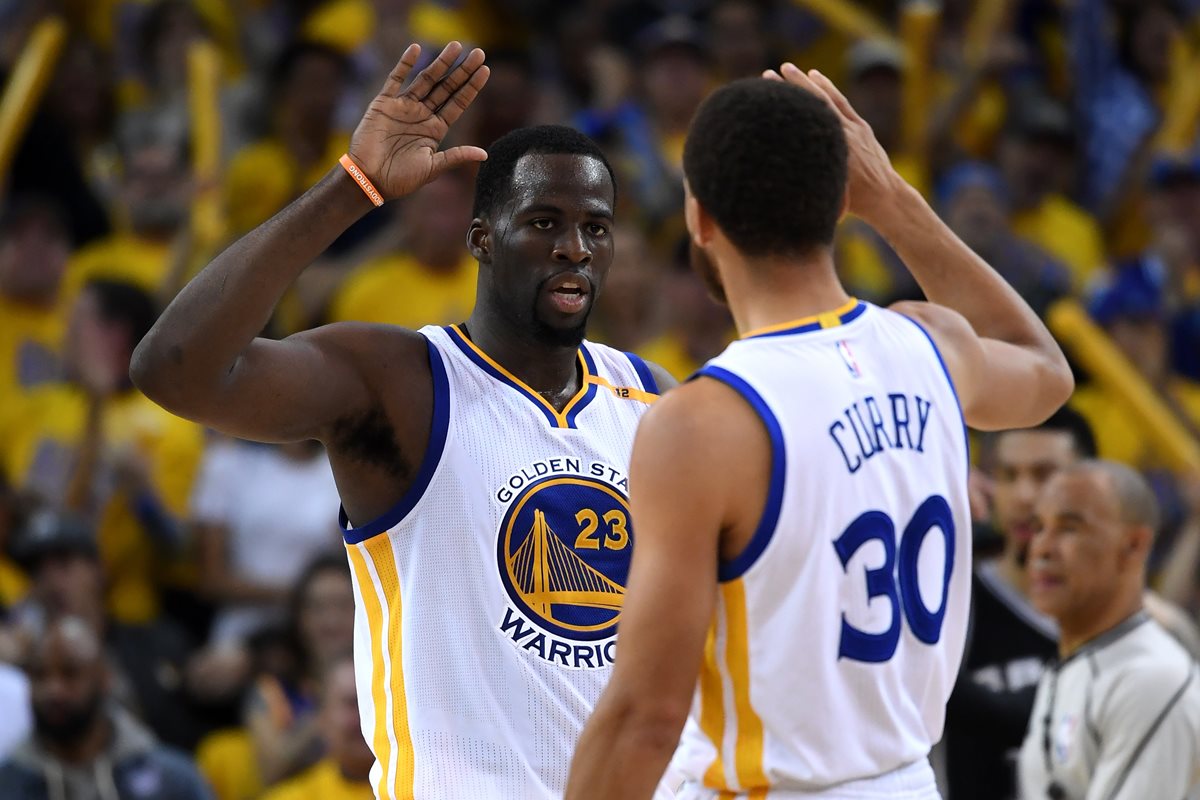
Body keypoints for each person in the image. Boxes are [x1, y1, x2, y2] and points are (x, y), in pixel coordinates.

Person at [130, 42, 673, 799]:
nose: (575, 249)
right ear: (482, 238)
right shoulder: (400, 381)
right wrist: (351, 190)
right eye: (545, 222)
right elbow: (175, 369)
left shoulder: (655, 398)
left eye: (597, 228)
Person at [567, 66, 1073, 799]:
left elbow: (646, 716)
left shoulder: (704, 421)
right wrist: (894, 200)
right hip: (905, 780)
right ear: (843, 203)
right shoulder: (929, 344)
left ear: (699, 219)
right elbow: (1043, 369)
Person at [1017, 461, 1200, 799]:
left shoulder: (1151, 679)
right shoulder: (1077, 661)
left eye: (1069, 528)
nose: (1041, 548)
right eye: (1038, 527)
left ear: (1134, 545)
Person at [943, 409, 1096, 800]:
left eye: (1045, 475)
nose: (1024, 495)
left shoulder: (1127, 614)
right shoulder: (953, 595)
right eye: (1008, 476)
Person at [0, 616, 212, 799]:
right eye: (40, 675)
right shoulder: (8, 785)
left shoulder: (173, 781)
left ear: (104, 679)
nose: (54, 690)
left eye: (70, 674)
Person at [261, 652, 375, 800]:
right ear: (323, 718)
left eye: (376, 701)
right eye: (353, 703)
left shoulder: (413, 787)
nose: (367, 716)